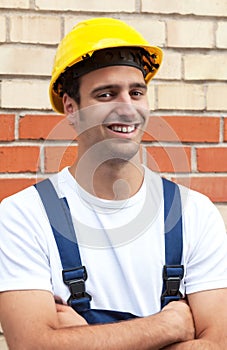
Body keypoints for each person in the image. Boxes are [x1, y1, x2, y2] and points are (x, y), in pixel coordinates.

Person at [0, 17, 227, 350]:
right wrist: (169, 325)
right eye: (106, 94)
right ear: (71, 108)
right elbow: (33, 345)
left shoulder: (194, 214)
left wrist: (79, 340)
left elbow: (216, 344)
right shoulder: (23, 216)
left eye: (136, 92)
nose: (127, 108)